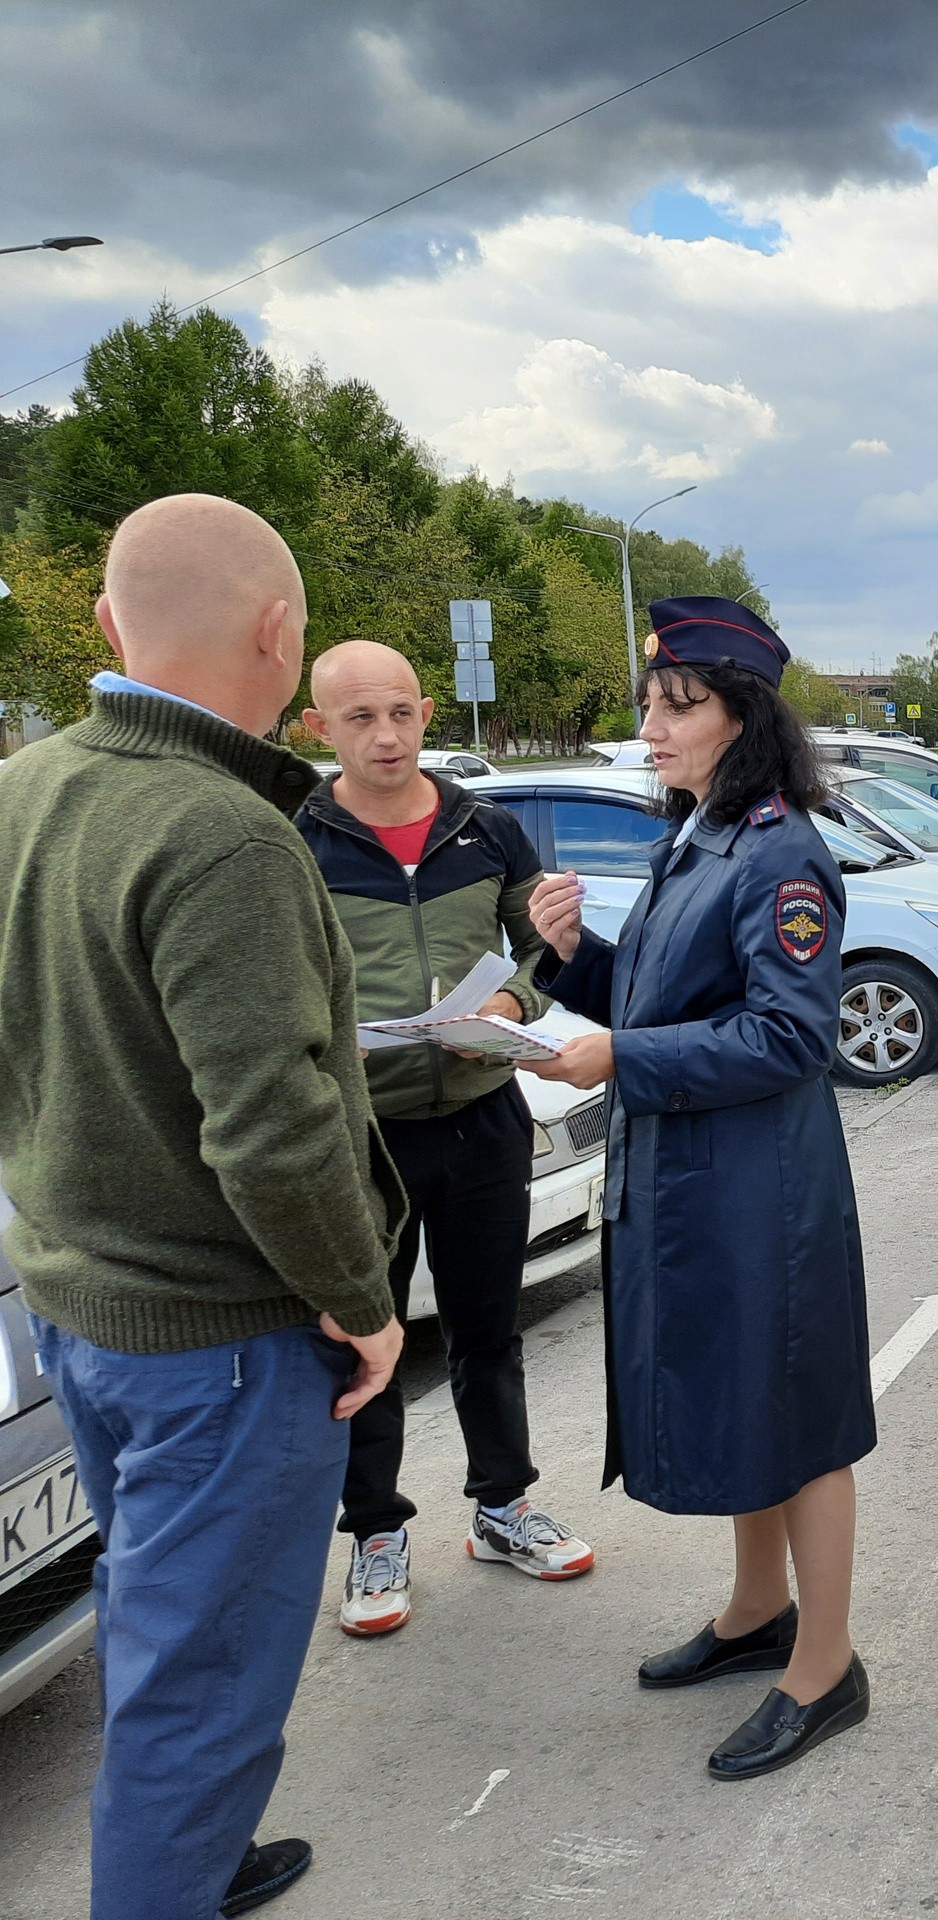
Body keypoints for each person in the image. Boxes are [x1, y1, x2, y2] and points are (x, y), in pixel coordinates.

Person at [0, 495, 405, 1918]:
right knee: (199, 1692)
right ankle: (172, 1871)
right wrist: (364, 1306)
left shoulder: (27, 789)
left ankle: (197, 1856)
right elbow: (276, 1135)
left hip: (83, 1314)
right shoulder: (222, 833)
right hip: (216, 1346)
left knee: (159, 1634)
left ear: (108, 627)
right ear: (279, 634)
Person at [522, 596, 875, 1781]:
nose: (653, 728)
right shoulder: (698, 833)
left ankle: (824, 1665)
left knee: (801, 1419)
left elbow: (789, 1037)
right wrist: (571, 955)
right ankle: (752, 1612)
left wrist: (622, 1057)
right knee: (741, 1403)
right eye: (649, 705)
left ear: (744, 718)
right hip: (697, 1182)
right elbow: (659, 1002)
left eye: (679, 706)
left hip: (764, 1195)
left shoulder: (781, 849)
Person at [297, 640, 594, 1638]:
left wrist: (515, 992)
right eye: (358, 720)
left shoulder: (488, 826)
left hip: (480, 1118)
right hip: (363, 1139)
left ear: (427, 713)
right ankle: (376, 1534)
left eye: (400, 715)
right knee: (362, 1343)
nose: (385, 737)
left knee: (488, 1329)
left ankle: (502, 1509)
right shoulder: (297, 840)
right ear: (317, 729)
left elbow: (540, 948)